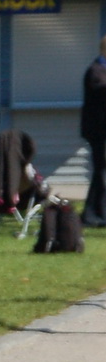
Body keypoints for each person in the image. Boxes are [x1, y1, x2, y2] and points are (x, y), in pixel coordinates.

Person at [80, 38, 106, 228]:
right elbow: (100, 93)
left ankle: (94, 213)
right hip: (99, 131)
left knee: (101, 172)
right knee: (101, 172)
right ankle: (94, 214)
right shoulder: (96, 71)